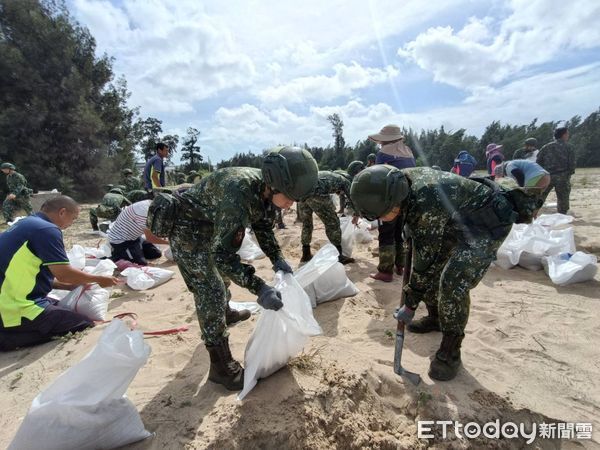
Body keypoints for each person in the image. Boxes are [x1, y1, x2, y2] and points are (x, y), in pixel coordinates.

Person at [158, 146, 318, 390]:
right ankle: (220, 366)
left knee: (223, 277)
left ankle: (225, 313)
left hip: (211, 223)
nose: (290, 204)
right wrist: (260, 287)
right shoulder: (239, 193)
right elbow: (221, 255)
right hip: (186, 228)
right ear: (273, 185)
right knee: (209, 289)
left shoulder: (263, 190)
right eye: (289, 197)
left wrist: (277, 258)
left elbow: (262, 226)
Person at [350, 166, 531, 381]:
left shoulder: (426, 201)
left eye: (381, 215)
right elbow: (426, 255)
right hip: (454, 218)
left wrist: (410, 304)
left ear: (393, 202)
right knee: (433, 274)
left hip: (486, 224)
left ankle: (451, 352)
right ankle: (436, 318)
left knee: (453, 283)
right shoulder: (399, 182)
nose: (381, 219)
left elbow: (423, 265)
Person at [0, 196, 119, 351]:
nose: (71, 224)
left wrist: (69, 287)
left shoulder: (26, 224)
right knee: (82, 322)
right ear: (62, 212)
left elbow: (27, 275)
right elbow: (64, 273)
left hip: (9, 296)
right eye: (73, 219)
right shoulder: (47, 230)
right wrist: (98, 279)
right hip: (12, 307)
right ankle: (6, 338)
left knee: (60, 309)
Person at [368, 124, 416, 282]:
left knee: (386, 233)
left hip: (390, 200)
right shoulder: (408, 152)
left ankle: (385, 271)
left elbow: (379, 177)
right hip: (406, 198)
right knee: (399, 233)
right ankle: (400, 266)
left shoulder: (383, 153)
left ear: (385, 140)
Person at [298, 170, 356, 265]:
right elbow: (352, 198)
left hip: (302, 191)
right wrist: (357, 213)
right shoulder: (345, 181)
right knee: (333, 223)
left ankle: (306, 254)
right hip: (317, 191)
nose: (339, 194)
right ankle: (339, 256)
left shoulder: (329, 175)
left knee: (307, 224)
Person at [108, 200, 168, 265]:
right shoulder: (145, 215)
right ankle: (117, 255)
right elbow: (150, 238)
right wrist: (169, 243)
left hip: (135, 237)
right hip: (121, 241)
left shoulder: (151, 204)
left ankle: (135, 251)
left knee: (156, 254)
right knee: (141, 263)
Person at [537, 126, 576, 214]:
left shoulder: (546, 147)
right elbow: (572, 164)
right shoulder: (569, 147)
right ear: (564, 135)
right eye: (567, 133)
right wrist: (568, 174)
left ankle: (532, 213)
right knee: (563, 199)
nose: (568, 135)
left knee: (540, 196)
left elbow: (538, 162)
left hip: (547, 176)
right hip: (563, 177)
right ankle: (562, 216)